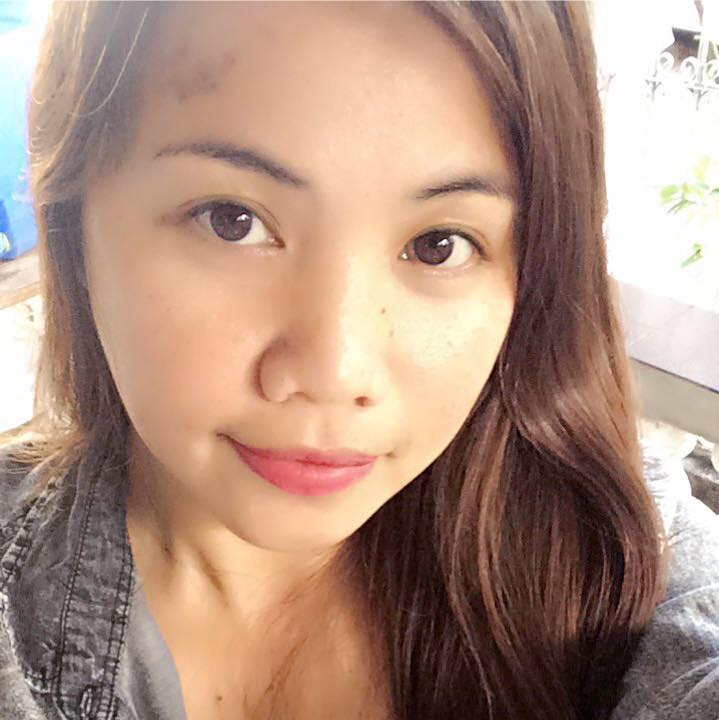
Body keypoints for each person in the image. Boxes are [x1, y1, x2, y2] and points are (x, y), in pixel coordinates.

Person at [0, 2, 717, 718]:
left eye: (438, 245)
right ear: (74, 222)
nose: (335, 372)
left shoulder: (626, 553)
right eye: (231, 221)